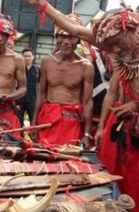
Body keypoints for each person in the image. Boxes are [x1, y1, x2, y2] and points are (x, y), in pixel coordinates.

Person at [21, 0, 139, 212]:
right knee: (111, 183)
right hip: (121, 127)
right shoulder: (113, 43)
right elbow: (77, 30)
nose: (115, 51)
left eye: (118, 44)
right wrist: (41, 4)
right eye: (110, 47)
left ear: (129, 30)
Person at [32, 14, 94, 147]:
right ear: (56, 38)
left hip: (72, 124)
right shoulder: (47, 61)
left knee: (69, 163)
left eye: (71, 37)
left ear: (78, 39)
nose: (66, 42)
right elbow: (41, 94)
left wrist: (87, 134)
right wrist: (33, 123)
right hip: (47, 121)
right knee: (43, 160)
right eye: (62, 36)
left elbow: (87, 102)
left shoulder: (86, 66)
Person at [16, 48, 40, 126]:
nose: (27, 58)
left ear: (33, 57)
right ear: (22, 57)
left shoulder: (37, 70)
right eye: (25, 56)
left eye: (29, 56)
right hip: (19, 99)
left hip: (33, 99)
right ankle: (19, 137)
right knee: (18, 121)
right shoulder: (18, 69)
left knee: (34, 120)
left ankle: (34, 137)